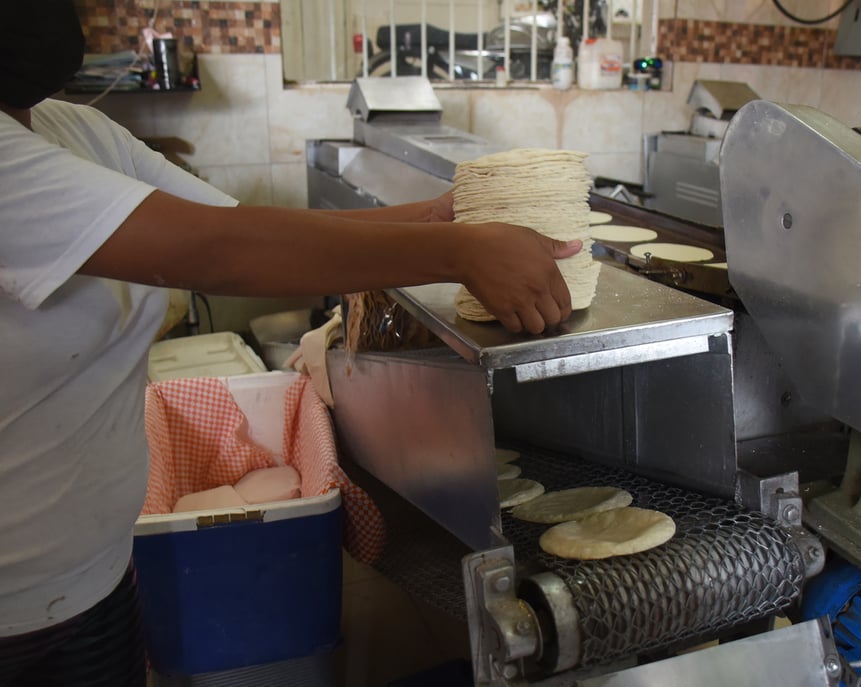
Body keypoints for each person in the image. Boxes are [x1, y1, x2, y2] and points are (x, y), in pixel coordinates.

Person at [0, 3, 581, 684]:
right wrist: (458, 251)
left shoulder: (74, 129)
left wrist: (432, 219)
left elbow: (240, 222)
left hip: (94, 575)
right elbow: (218, 252)